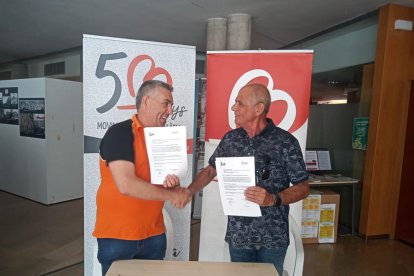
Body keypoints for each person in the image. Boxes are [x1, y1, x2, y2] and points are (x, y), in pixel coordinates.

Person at [187, 83, 309, 275]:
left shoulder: (286, 142)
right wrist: (189, 191)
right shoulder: (231, 139)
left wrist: (273, 198)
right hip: (239, 237)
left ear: (258, 109)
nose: (233, 108)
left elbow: (303, 187)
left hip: (272, 238)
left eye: (240, 103)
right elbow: (211, 170)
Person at [93, 80, 191, 275]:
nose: (170, 111)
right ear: (146, 101)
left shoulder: (162, 138)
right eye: (166, 103)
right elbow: (126, 184)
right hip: (117, 237)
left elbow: (161, 185)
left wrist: (171, 186)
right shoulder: (119, 133)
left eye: (171, 105)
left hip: (154, 235)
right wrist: (172, 196)